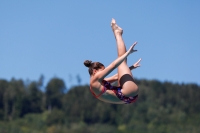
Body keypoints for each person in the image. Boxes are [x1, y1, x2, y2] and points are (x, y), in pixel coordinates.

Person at [84, 18, 141, 104]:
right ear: (95, 71)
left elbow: (116, 77)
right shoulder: (95, 79)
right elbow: (113, 65)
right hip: (126, 93)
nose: (104, 72)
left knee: (122, 63)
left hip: (128, 97)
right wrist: (128, 53)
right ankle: (117, 33)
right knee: (121, 61)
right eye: (103, 70)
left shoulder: (97, 83)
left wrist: (131, 68)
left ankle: (117, 33)